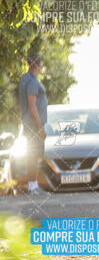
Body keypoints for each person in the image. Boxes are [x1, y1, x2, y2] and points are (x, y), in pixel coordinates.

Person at [18, 53, 49, 195]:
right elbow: (32, 105)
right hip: (34, 125)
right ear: (37, 65)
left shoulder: (26, 79)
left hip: (30, 124)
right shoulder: (32, 81)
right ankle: (33, 187)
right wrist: (40, 126)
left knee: (33, 155)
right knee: (34, 155)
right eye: (41, 64)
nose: (41, 67)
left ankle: (34, 185)